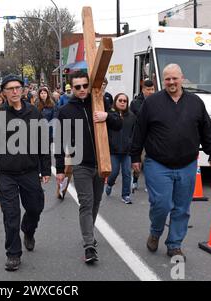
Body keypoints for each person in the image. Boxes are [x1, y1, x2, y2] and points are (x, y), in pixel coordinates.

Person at [131, 64, 211, 260]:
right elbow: (139, 131)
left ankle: (174, 244)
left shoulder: (195, 102)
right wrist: (135, 157)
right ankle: (155, 232)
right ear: (163, 81)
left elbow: (206, 130)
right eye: (167, 79)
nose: (171, 82)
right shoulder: (152, 103)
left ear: (182, 78)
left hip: (187, 164)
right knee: (161, 204)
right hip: (158, 163)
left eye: (174, 78)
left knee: (181, 208)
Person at [0, 74, 51, 272]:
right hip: (7, 174)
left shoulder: (33, 113)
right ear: (3, 92)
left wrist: (45, 168)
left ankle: (28, 230)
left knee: (35, 207)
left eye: (17, 88)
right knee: (11, 215)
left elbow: (43, 142)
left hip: (30, 171)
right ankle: (13, 253)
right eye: (10, 88)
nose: (14, 91)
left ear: (22, 90)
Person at [55, 71, 122, 264]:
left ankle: (88, 232)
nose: (82, 90)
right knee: (86, 202)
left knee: (95, 202)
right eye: (78, 87)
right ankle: (89, 245)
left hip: (101, 163)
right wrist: (60, 170)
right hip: (81, 164)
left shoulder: (100, 103)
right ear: (71, 88)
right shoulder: (66, 111)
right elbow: (60, 142)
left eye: (85, 86)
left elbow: (119, 124)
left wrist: (106, 116)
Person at [105, 93, 137, 204]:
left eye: (125, 101)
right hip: (113, 150)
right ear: (116, 101)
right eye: (120, 100)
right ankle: (109, 183)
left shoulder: (132, 117)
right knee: (114, 172)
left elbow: (134, 133)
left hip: (126, 151)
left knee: (127, 173)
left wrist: (131, 145)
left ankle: (126, 195)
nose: (123, 102)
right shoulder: (110, 115)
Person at [129, 79, 155, 192]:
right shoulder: (135, 103)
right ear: (143, 89)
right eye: (148, 89)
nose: (151, 92)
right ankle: (134, 180)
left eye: (153, 89)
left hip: (152, 137)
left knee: (149, 162)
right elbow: (135, 119)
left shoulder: (157, 101)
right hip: (139, 137)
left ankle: (149, 184)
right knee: (138, 162)